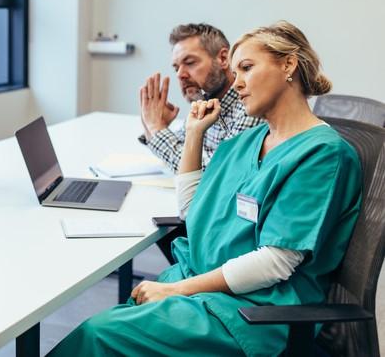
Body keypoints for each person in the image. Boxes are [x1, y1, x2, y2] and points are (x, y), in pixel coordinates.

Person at [49, 21, 362, 357]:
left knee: (98, 336)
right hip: (204, 284)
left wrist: (179, 290)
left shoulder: (322, 154)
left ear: (288, 65)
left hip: (252, 312)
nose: (237, 84)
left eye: (246, 68)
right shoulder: (250, 141)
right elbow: (193, 211)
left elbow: (276, 263)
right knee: (112, 326)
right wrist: (194, 134)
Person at [139, 23, 262, 172]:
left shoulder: (249, 106)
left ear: (223, 59)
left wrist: (156, 128)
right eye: (176, 68)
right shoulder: (204, 101)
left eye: (190, 63)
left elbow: (214, 172)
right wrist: (154, 123)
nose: (180, 75)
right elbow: (181, 147)